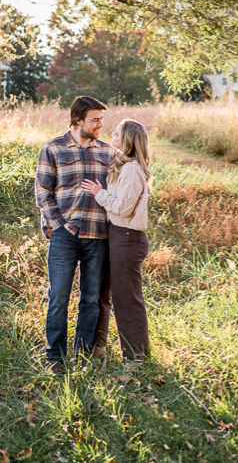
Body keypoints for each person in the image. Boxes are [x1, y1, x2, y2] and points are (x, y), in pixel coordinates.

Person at [34, 96, 114, 370]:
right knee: (58, 297)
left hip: (98, 235)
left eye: (102, 119)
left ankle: (83, 356)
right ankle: (55, 358)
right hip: (64, 236)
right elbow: (43, 192)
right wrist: (57, 225)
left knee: (91, 300)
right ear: (78, 120)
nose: (100, 124)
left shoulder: (108, 152)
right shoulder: (53, 148)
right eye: (95, 119)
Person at [81, 119, 152, 361]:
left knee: (126, 299)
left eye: (118, 132)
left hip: (128, 239)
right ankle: (97, 349)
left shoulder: (132, 170)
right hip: (116, 236)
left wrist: (99, 193)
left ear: (129, 139)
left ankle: (136, 358)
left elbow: (122, 208)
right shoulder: (123, 165)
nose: (112, 132)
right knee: (103, 293)